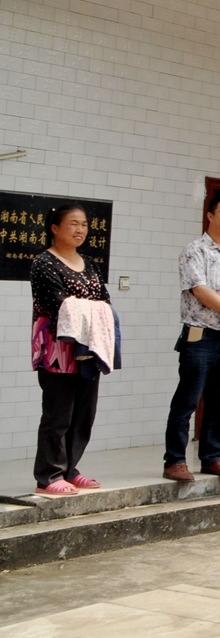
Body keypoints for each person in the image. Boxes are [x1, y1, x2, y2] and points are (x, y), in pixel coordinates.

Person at [164, 197, 220, 481]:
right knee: (187, 402)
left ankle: (211, 457)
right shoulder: (195, 250)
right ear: (210, 215)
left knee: (219, 403)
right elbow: (199, 290)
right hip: (199, 336)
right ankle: (175, 461)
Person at [30, 204, 113, 495]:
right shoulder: (43, 262)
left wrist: (91, 309)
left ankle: (69, 468)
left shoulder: (89, 262)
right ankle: (48, 476)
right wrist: (92, 308)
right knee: (58, 413)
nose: (80, 230)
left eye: (84, 225)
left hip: (90, 345)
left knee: (84, 413)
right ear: (54, 228)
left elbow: (105, 299)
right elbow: (58, 303)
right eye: (73, 224)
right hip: (57, 347)